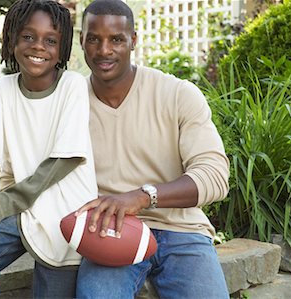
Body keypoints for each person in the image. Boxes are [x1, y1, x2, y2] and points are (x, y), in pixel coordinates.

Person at [75, 0, 230, 298]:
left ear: (133, 40)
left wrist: (142, 197)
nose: (104, 50)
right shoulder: (70, 103)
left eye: (116, 39)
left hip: (182, 231)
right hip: (110, 231)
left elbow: (214, 177)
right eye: (94, 39)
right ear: (82, 41)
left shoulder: (177, 94)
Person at [0, 0, 97, 298]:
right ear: (12, 39)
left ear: (62, 48)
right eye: (28, 36)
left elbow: (62, 161)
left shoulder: (73, 86)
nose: (38, 47)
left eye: (50, 40)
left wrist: (7, 202)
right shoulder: (3, 90)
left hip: (64, 214)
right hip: (23, 209)